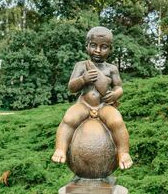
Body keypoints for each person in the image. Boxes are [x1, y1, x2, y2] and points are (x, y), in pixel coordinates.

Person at [51, 26, 133, 170]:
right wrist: (83, 79)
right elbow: (71, 88)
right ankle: (60, 148)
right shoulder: (81, 66)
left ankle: (124, 152)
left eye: (104, 47)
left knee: (117, 121)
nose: (98, 50)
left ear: (110, 49)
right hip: (84, 104)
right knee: (69, 118)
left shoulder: (111, 69)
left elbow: (119, 87)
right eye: (93, 45)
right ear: (87, 46)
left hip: (104, 106)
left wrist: (115, 94)